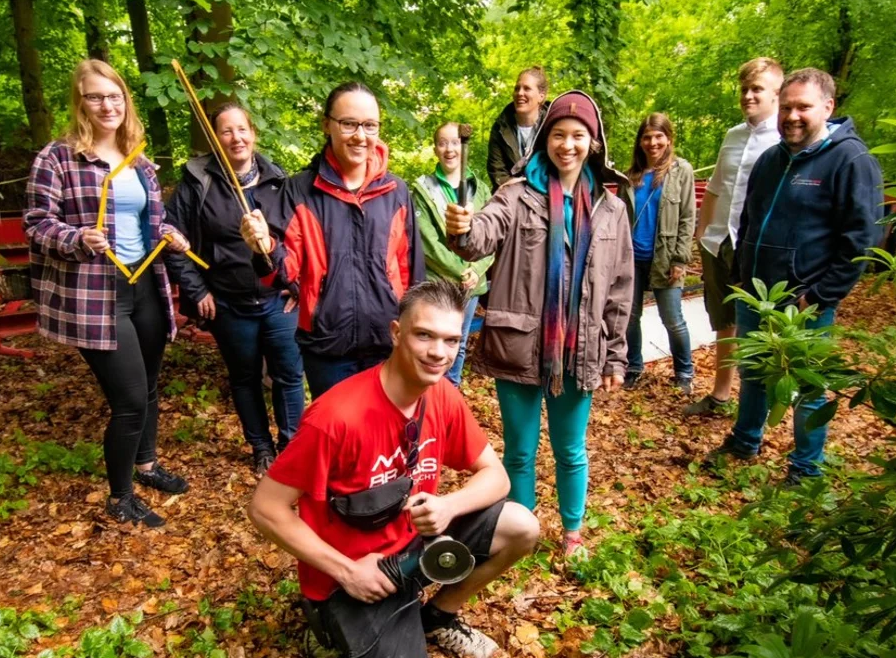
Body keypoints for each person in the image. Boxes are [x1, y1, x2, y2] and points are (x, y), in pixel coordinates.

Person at [248, 280, 540, 658]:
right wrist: (347, 572)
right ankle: (330, 635)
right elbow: (266, 508)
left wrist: (448, 506)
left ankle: (437, 617)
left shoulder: (442, 396)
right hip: (356, 581)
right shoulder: (336, 416)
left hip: (413, 553)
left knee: (523, 525)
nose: (438, 352)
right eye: (425, 335)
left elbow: (497, 478)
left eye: (451, 340)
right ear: (396, 333)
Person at [446, 90, 633, 561]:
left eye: (577, 136)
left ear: (593, 143)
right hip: (519, 347)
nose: (566, 145)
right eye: (558, 134)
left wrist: (615, 356)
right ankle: (521, 532)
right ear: (545, 139)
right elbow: (480, 236)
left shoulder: (612, 210)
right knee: (519, 454)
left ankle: (572, 533)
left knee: (571, 451)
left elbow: (619, 292)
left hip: (580, 351)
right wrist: (464, 228)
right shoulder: (515, 195)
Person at [24, 59, 191, 527]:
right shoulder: (57, 157)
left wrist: (170, 233)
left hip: (144, 281)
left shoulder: (137, 158)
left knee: (150, 386)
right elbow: (36, 224)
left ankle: (147, 465)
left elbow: (149, 220)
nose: (107, 104)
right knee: (130, 398)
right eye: (96, 96)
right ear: (80, 102)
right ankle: (120, 497)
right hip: (95, 292)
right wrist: (77, 238)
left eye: (114, 95)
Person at [707, 67, 883, 484]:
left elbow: (863, 240)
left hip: (804, 302)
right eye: (786, 107)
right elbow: (749, 220)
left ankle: (806, 467)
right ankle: (744, 441)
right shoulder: (772, 159)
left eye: (803, 107)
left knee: (806, 386)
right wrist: (740, 276)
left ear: (828, 106)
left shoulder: (851, 160)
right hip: (757, 293)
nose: (792, 116)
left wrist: (819, 295)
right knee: (753, 373)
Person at [240, 83, 423, 398]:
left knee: (385, 439)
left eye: (370, 125)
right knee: (339, 440)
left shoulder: (397, 192)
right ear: (327, 124)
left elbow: (412, 272)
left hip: (388, 342)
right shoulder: (299, 190)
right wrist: (264, 248)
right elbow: (281, 272)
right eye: (349, 123)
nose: (360, 135)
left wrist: (415, 331)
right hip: (326, 347)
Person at [164, 102, 304, 476]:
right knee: (244, 378)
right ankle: (261, 447)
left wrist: (296, 284)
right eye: (226, 131)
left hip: (278, 301)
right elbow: (172, 239)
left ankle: (291, 446)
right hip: (228, 302)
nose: (235, 138)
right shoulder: (198, 182)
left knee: (289, 375)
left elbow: (299, 240)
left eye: (242, 129)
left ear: (253, 133)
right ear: (214, 138)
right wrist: (197, 290)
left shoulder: (278, 181)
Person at [684, 57, 784, 416]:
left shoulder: (785, 139)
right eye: (744, 89)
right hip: (718, 242)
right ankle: (721, 394)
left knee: (760, 325)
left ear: (776, 93)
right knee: (724, 321)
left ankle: (761, 404)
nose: (748, 96)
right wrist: (701, 235)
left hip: (757, 247)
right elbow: (714, 189)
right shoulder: (732, 135)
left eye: (757, 89)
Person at [411, 122, 494, 386]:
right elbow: (427, 242)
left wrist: (476, 271)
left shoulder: (479, 188)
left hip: (470, 284)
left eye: (455, 142)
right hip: (439, 282)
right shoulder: (423, 189)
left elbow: (493, 235)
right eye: (443, 143)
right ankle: (428, 398)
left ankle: (450, 397)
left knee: (456, 345)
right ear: (435, 148)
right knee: (432, 344)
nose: (450, 149)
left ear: (462, 146)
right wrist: (460, 271)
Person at [622, 113, 696, 393]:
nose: (652, 143)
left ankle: (684, 372)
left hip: (665, 258)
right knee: (629, 316)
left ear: (668, 139)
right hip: (631, 259)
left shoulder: (681, 171)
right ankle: (633, 365)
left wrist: (681, 258)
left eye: (658, 137)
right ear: (640, 141)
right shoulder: (631, 176)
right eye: (647, 137)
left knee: (673, 319)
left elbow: (688, 217)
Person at [487, 67, 550, 189]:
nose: (520, 93)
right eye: (517, 88)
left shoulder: (554, 124)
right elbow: (496, 171)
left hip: (546, 193)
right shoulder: (500, 127)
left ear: (541, 96)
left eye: (527, 88)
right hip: (511, 194)